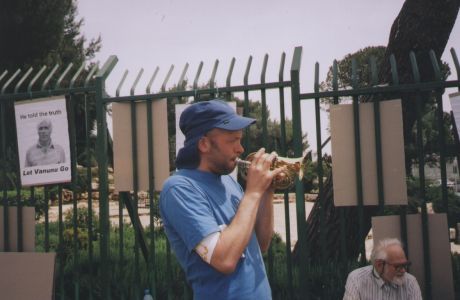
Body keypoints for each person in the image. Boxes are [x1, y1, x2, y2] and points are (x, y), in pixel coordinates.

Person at [159, 99, 285, 299]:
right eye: (232, 140)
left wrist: (266, 191)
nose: (241, 149)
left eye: (240, 140)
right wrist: (252, 193)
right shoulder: (178, 189)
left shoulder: (228, 182)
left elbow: (260, 244)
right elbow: (224, 260)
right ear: (204, 144)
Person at [343, 238, 422, 300]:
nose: (403, 270)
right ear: (379, 265)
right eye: (397, 266)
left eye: (405, 265)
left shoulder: (410, 282)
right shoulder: (357, 279)